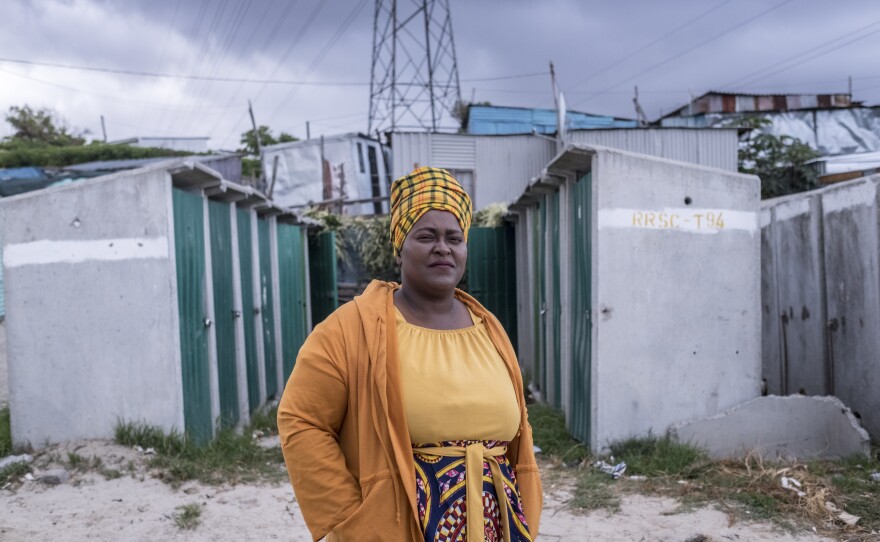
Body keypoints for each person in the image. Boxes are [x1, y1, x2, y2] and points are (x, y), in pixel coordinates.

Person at [278, 166, 542, 542]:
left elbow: (519, 432)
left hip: (497, 527)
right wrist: (349, 520)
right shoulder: (351, 329)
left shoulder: (488, 328)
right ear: (400, 246)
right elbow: (302, 421)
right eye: (426, 236)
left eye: (454, 238)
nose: (443, 247)